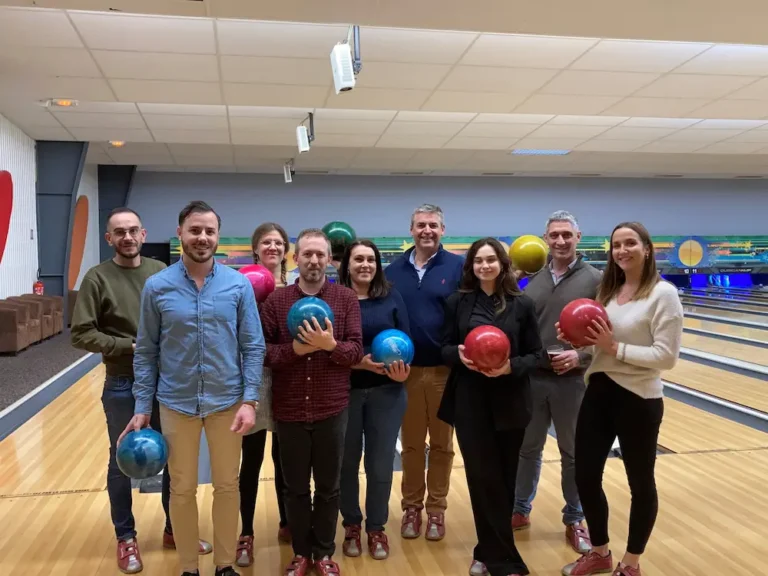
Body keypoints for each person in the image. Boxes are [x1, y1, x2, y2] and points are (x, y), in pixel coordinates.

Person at [121, 200, 266, 576]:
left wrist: (250, 400)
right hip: (175, 402)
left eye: (209, 231)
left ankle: (224, 564)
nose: (202, 237)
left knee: (227, 485)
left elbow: (253, 346)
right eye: (195, 230)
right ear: (181, 234)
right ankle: (188, 567)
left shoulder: (238, 285)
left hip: (227, 402)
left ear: (218, 236)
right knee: (181, 488)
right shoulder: (157, 287)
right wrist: (141, 406)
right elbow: (147, 350)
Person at [70, 207, 212, 574]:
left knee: (173, 461)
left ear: (144, 234)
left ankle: (173, 529)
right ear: (109, 239)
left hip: (167, 383)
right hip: (123, 382)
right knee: (123, 463)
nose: (128, 237)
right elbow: (81, 333)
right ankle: (126, 538)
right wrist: (128, 347)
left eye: (133, 231)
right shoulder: (97, 278)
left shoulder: (160, 273)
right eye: (120, 232)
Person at [558, 222, 683, 576]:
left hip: (638, 399)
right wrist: (576, 338)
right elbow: (597, 345)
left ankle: (631, 563)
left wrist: (615, 347)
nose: (622, 250)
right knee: (585, 475)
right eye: (616, 245)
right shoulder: (609, 293)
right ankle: (599, 552)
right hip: (598, 392)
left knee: (640, 483)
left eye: (630, 243)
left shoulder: (663, 295)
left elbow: (667, 357)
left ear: (646, 248)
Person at [259, 228, 363, 576]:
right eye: (307, 254)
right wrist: (296, 349)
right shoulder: (276, 302)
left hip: (332, 408)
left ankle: (324, 553)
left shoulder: (345, 300)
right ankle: (301, 553)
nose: (314, 260)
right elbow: (265, 354)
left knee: (329, 487)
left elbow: (354, 351)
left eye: (321, 254)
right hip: (289, 409)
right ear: (295, 258)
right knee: (296, 488)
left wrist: (329, 345)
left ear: (330, 260)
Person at [438, 237, 542, 576]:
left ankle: (485, 552)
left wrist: (511, 366)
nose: (485, 266)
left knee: (505, 479)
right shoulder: (458, 302)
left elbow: (537, 356)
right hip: (471, 400)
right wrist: (461, 357)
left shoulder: (521, 304)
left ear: (502, 264)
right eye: (478, 261)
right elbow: (443, 347)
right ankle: (503, 561)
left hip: (510, 398)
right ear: (471, 267)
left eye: (491, 260)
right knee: (482, 479)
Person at [513, 211, 602, 555]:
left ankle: (575, 518)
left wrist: (580, 357)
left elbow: (610, 332)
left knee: (574, 453)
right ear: (545, 239)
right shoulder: (529, 278)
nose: (561, 241)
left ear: (578, 236)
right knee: (527, 449)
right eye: (554, 235)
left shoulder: (595, 279)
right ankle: (520, 509)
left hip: (573, 381)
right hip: (534, 378)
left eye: (567, 234)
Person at [384, 203, 463, 541]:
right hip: (407, 372)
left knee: (443, 446)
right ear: (411, 229)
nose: (426, 230)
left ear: (442, 230)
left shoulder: (459, 267)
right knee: (413, 445)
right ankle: (411, 508)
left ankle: (436, 511)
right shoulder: (393, 271)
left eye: (433, 225)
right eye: (420, 225)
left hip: (447, 372)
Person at [337, 240, 411, 561]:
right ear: (347, 265)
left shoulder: (390, 296)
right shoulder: (336, 298)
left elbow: (407, 342)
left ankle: (376, 526)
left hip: (387, 392)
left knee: (381, 464)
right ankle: (352, 523)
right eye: (358, 259)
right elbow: (328, 348)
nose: (365, 265)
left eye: (371, 259)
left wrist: (401, 373)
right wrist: (357, 363)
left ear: (377, 265)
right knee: (346, 463)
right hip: (344, 392)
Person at [236, 222, 292, 568]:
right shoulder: (238, 286)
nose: (272, 247)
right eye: (266, 242)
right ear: (255, 248)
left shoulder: (297, 286)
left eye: (278, 242)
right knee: (251, 462)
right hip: (251, 382)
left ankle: (289, 522)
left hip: (287, 379)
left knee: (287, 461)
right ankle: (246, 533)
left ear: (286, 250)